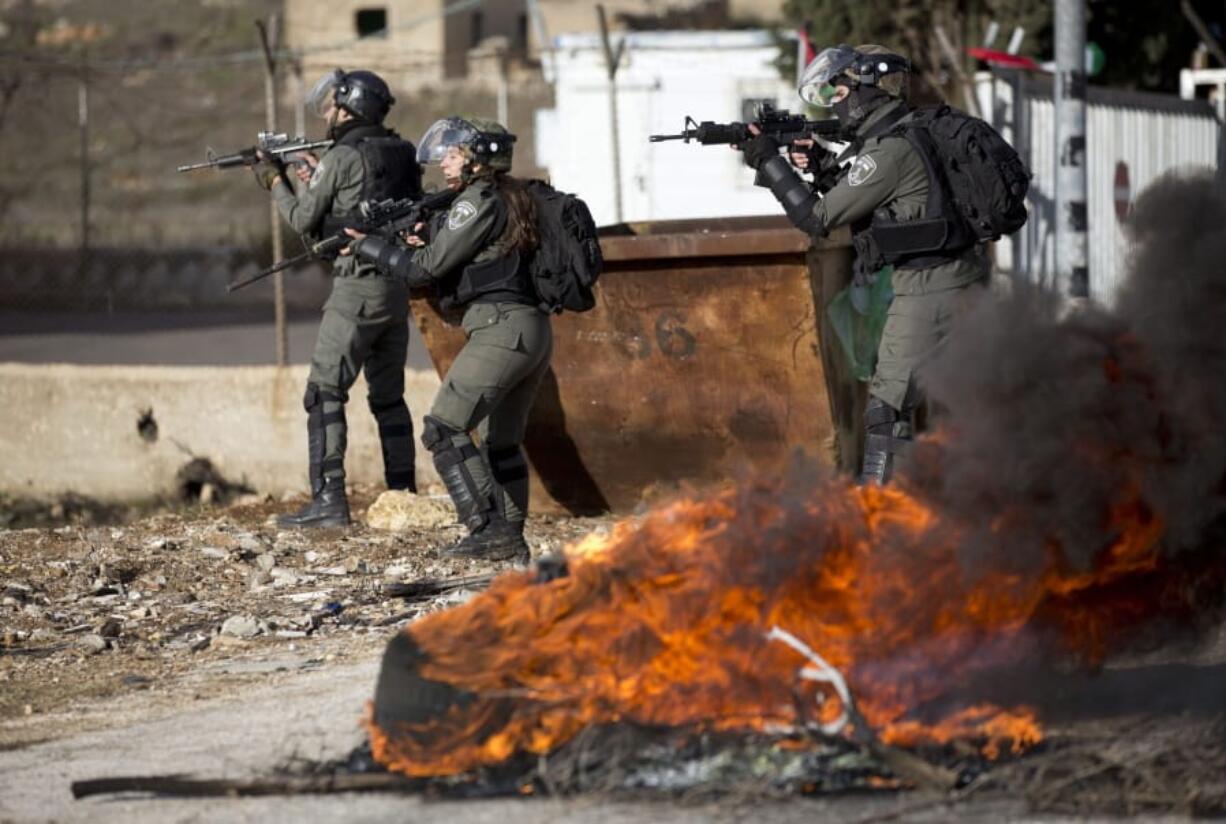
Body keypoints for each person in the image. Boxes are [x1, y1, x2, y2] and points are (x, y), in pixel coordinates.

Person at [738, 44, 991, 485]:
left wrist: (767, 160)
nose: (836, 103)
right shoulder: (906, 136)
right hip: (956, 276)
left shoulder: (886, 154)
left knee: (887, 409)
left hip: (928, 285)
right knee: (954, 404)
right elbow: (880, 203)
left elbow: (814, 219)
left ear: (867, 90)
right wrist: (820, 167)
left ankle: (879, 518)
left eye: (840, 92)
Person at [345, 117, 551, 563]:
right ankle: (508, 541)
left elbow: (423, 270)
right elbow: (469, 257)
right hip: (528, 329)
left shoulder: (475, 200)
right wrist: (421, 238)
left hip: (501, 329)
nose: (444, 161)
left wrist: (370, 247)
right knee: (500, 443)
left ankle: (486, 529)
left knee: (444, 427)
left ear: (477, 158)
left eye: (454, 153)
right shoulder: (511, 196)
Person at [252, 68, 423, 528]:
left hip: (356, 289)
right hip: (394, 287)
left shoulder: (343, 154)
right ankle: (403, 495)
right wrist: (313, 174)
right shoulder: (403, 151)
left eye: (333, 106)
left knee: (324, 392)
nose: (328, 113)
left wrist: (275, 181)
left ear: (350, 108)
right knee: (388, 397)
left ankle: (328, 503)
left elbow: (306, 220)